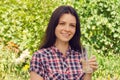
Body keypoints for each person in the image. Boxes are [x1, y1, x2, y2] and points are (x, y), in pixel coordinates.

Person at [30, 5, 98, 80]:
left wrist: (89, 72)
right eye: (62, 24)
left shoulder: (81, 55)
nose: (67, 29)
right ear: (54, 25)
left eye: (72, 25)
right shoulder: (40, 57)